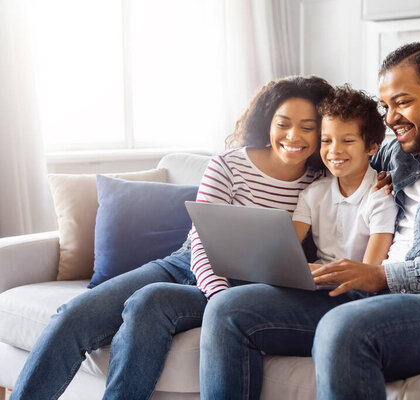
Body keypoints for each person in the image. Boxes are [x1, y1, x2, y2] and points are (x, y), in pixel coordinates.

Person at [199, 42, 420, 400]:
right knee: (228, 310)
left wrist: (381, 275)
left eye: (403, 102)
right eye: (386, 106)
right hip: (367, 294)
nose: (391, 118)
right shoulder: (395, 151)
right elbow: (338, 156)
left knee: (343, 327)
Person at [10, 75, 333, 400]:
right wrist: (218, 294)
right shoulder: (229, 166)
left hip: (249, 286)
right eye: (284, 123)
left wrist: (384, 182)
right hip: (190, 262)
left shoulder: (323, 179)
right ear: (268, 122)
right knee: (73, 316)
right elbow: (203, 245)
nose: (294, 136)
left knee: (148, 303)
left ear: (323, 129)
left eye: (308, 127)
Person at [293, 84, 396, 270]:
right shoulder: (312, 194)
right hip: (315, 282)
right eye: (326, 141)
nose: (335, 150)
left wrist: (303, 270)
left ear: (372, 147)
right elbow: (285, 253)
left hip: (358, 289)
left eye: (348, 141)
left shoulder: (381, 194)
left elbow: (369, 271)